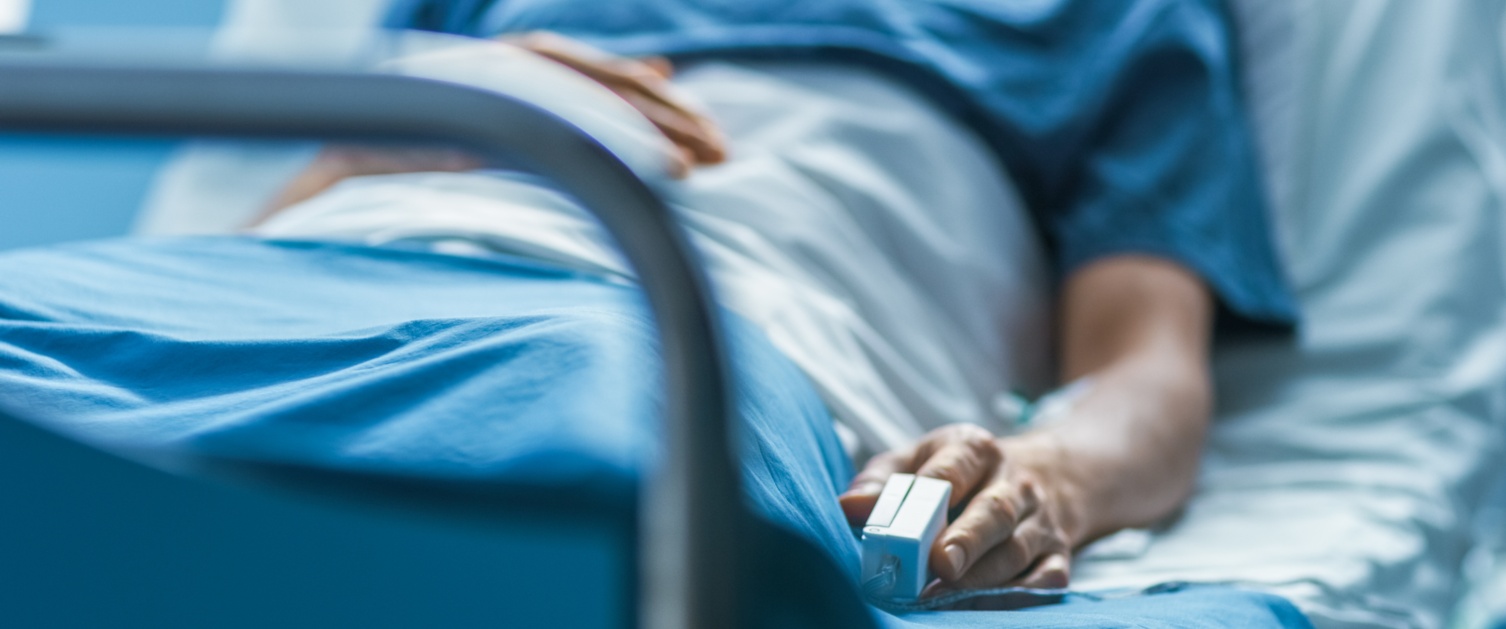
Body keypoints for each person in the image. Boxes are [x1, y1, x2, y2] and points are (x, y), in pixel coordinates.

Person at [254, 0, 1299, 597]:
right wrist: (400, 124)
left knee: (543, 480)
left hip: (699, 317)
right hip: (314, 276)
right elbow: (274, 218)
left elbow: (1144, 364)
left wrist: (1042, 474)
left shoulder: (1114, 17)